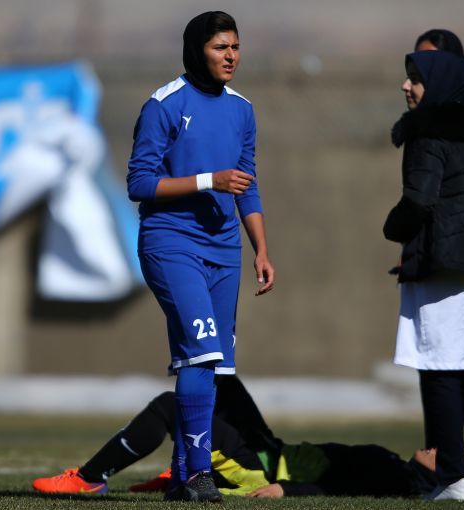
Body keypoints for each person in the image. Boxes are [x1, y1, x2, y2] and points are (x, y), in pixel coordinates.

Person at [125, 10, 274, 502]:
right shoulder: (164, 105)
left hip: (224, 250)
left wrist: (261, 250)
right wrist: (210, 179)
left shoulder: (242, 109)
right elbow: (140, 183)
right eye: (220, 47)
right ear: (196, 51)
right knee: (202, 350)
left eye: (235, 46)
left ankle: (179, 477)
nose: (231, 56)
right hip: (171, 244)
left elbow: (247, 184)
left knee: (211, 366)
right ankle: (197, 475)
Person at [382, 49, 464, 502]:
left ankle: (452, 478)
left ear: (438, 86)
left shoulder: (429, 133)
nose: (406, 86)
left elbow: (420, 199)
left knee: (440, 369)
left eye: (415, 79)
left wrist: (393, 228)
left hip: (442, 267)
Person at [32, 375, 437, 498]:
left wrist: (286, 490)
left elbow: (343, 489)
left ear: (430, 477)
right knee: (220, 374)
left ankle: (89, 477)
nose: (435, 448)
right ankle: (187, 469)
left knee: (171, 406)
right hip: (271, 450)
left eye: (443, 457)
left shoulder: (395, 477)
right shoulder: (392, 462)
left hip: (259, 469)